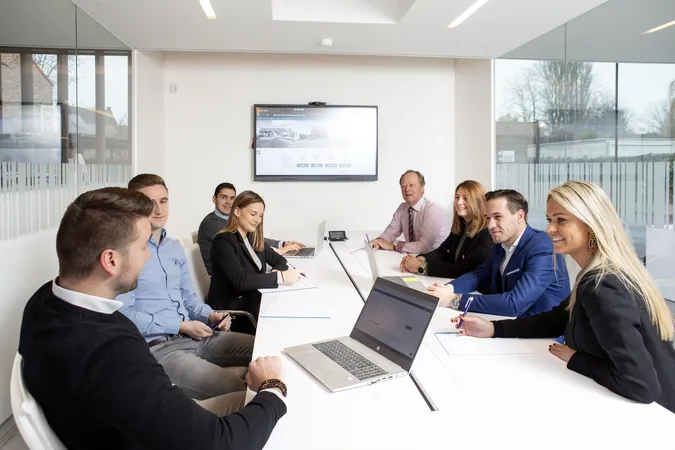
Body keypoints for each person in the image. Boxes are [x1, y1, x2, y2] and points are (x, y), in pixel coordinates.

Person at [18, 187, 288, 450]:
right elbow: (222, 442)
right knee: (274, 403)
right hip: (162, 437)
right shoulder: (111, 353)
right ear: (111, 260)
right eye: (142, 247)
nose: (149, 255)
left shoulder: (44, 301)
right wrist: (272, 388)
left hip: (137, 421)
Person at [452, 180, 675, 413]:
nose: (550, 229)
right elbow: (557, 320)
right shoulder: (598, 274)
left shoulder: (602, 284)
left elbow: (639, 384)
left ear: (590, 224)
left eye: (561, 220)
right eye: (550, 220)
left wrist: (576, 359)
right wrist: (493, 329)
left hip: (659, 416)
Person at [118, 174, 255, 400]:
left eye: (163, 201)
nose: (159, 209)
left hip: (197, 336)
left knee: (265, 350)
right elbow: (124, 315)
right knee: (242, 391)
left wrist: (210, 315)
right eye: (149, 203)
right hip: (160, 347)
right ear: (133, 206)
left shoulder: (173, 248)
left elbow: (188, 297)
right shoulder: (125, 252)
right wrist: (180, 326)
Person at [428, 189, 569, 317]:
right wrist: (447, 289)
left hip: (538, 332)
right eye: (488, 218)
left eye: (498, 217)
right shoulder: (501, 242)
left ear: (520, 216)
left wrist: (454, 300)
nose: (490, 225)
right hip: (508, 322)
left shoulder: (543, 247)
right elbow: (479, 275)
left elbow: (515, 303)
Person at [207, 190, 303, 333]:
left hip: (253, 301)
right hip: (235, 312)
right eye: (253, 214)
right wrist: (280, 277)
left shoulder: (252, 237)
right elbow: (241, 281)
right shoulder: (223, 241)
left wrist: (276, 271)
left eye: (260, 216)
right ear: (237, 211)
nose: (257, 220)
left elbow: (279, 260)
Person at [198, 182, 304, 274]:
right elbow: (243, 250)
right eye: (223, 197)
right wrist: (279, 252)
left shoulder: (241, 225)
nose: (229, 202)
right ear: (214, 199)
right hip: (225, 279)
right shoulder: (213, 226)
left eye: (232, 198)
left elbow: (256, 241)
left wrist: (282, 244)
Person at [400, 180, 493, 278]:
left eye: (465, 198)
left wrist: (421, 267)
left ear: (478, 202)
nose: (459, 202)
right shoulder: (460, 226)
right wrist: (420, 259)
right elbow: (441, 252)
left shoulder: (487, 233)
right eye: (457, 197)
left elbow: (464, 270)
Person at [370, 170, 449, 254]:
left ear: (422, 188)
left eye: (411, 185)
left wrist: (392, 246)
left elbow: (424, 247)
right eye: (403, 186)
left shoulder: (433, 209)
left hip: (436, 257)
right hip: (414, 256)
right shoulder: (402, 208)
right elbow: (390, 233)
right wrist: (379, 241)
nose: (407, 189)